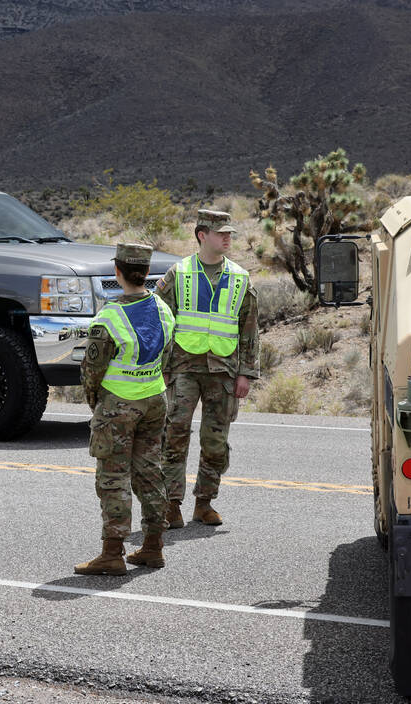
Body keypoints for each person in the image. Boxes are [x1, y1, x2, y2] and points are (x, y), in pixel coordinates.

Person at [76, 243, 175, 573]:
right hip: (155, 400)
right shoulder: (162, 309)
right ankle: (152, 546)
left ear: (117, 272)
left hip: (118, 404)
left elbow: (92, 372)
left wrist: (97, 404)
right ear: (145, 273)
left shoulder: (109, 317)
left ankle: (113, 553)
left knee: (113, 478)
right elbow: (169, 355)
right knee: (150, 473)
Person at [156, 209, 259, 528]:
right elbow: (160, 320)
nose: (228, 237)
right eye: (221, 233)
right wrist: (162, 368)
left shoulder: (241, 277)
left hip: (224, 371)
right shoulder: (179, 272)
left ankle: (204, 503)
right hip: (183, 368)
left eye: (230, 233)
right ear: (202, 235)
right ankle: (171, 504)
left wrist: (246, 373)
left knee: (216, 440)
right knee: (174, 434)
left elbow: (250, 329)